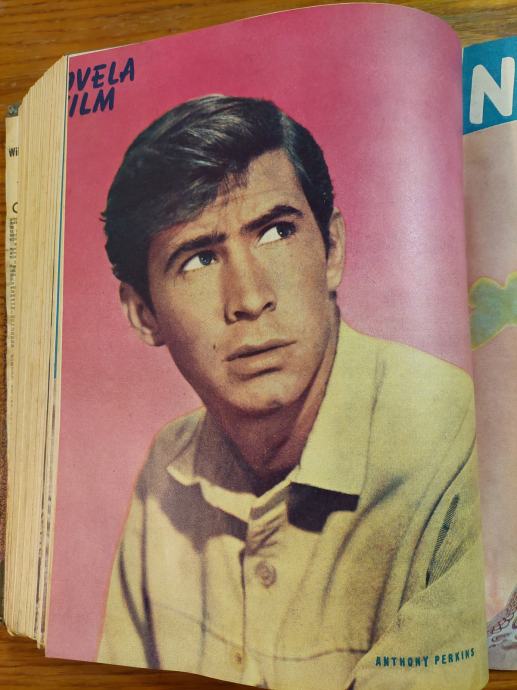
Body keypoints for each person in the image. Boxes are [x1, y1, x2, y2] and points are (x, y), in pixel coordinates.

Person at [97, 95, 487, 690]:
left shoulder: (458, 435)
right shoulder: (167, 470)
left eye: (276, 232)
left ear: (332, 249)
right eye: (198, 260)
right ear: (144, 313)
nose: (250, 298)